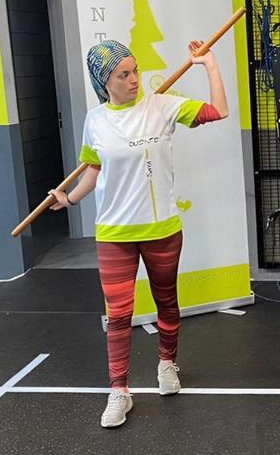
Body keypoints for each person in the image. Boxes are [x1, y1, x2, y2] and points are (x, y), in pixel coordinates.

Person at [48, 39, 228, 428]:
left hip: (162, 228)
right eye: (123, 75)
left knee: (167, 302)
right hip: (114, 232)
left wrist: (209, 65)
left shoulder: (162, 107)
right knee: (118, 315)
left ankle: (167, 364)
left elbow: (219, 111)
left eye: (135, 70)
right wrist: (69, 199)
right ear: (104, 82)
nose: (134, 79)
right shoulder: (95, 120)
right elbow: (93, 172)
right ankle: (119, 392)